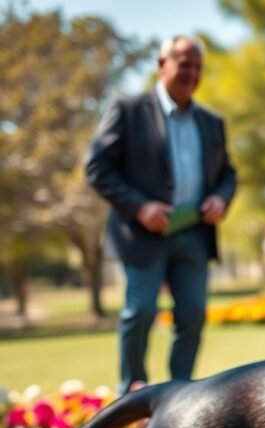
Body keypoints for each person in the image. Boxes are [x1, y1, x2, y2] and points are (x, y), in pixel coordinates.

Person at [85, 35, 236, 395]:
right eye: (185, 64)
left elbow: (229, 173)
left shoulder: (211, 121)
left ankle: (178, 396)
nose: (192, 73)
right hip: (143, 235)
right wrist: (140, 206)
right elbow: (97, 167)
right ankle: (130, 394)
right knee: (139, 313)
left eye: (198, 66)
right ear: (161, 64)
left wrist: (220, 197)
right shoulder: (128, 109)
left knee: (193, 316)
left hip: (193, 234)